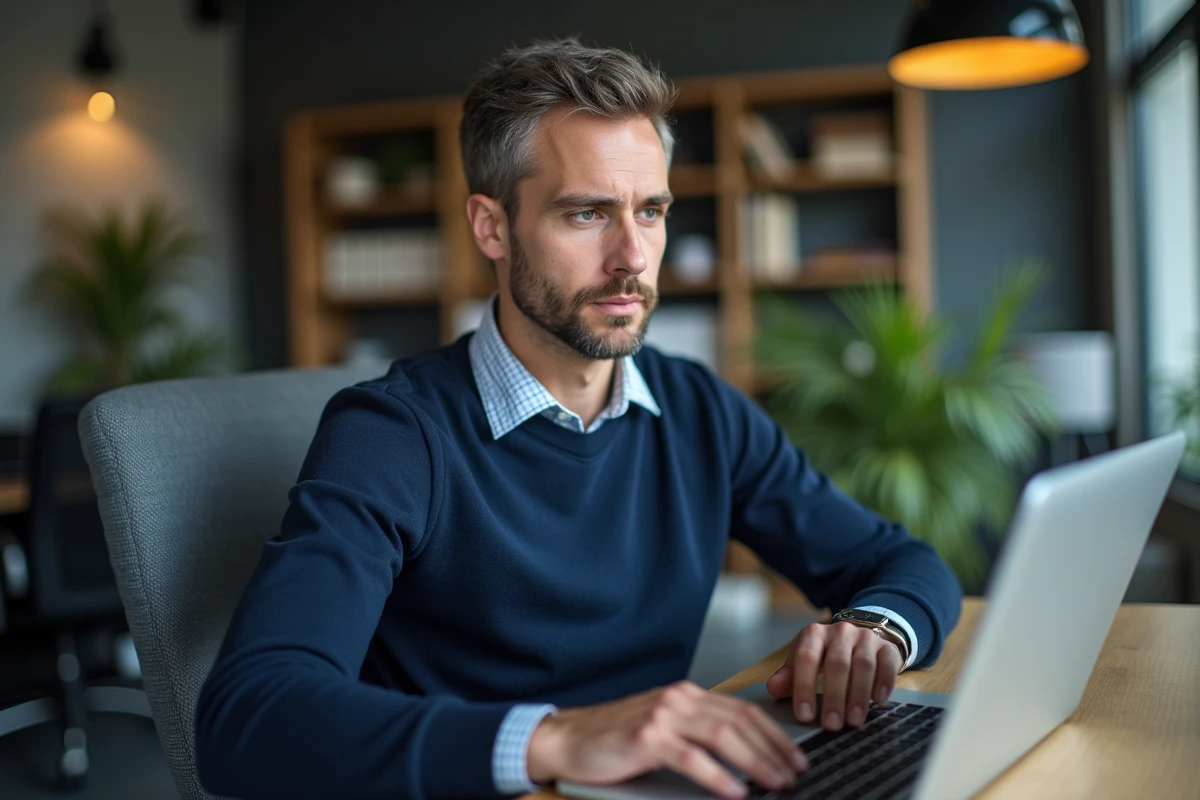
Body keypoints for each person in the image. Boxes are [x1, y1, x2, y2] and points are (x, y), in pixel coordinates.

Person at [194, 38, 961, 800]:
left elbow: (901, 562)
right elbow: (248, 719)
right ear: (492, 227)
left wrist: (876, 632)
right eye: (587, 213)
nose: (633, 257)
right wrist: (556, 740)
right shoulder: (392, 435)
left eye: (650, 211)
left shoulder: (700, 411)